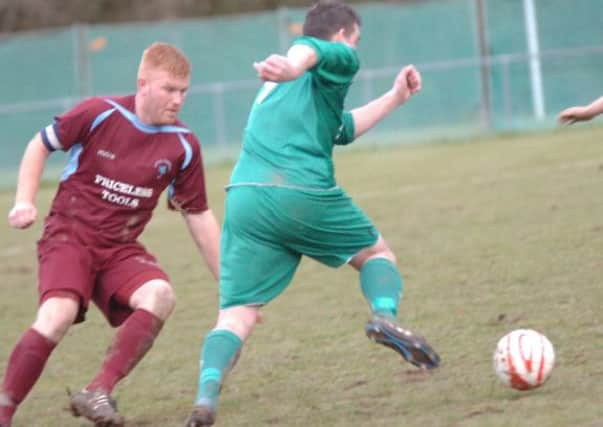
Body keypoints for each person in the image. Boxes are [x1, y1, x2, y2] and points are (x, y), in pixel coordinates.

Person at [185, 2, 440, 426]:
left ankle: (205, 398)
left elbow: (341, 129)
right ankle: (385, 317)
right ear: (342, 35)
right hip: (299, 190)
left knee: (237, 313)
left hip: (245, 196)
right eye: (354, 40)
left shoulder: (279, 89)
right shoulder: (327, 55)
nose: (355, 49)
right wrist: (293, 64)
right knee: (377, 256)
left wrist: (395, 97)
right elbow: (313, 51)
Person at [0, 42, 220, 427]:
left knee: (161, 294)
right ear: (143, 84)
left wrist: (231, 286)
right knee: (57, 315)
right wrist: (24, 200)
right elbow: (40, 145)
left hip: (119, 248)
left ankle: (97, 390)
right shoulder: (100, 113)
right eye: (169, 89)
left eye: (184, 91)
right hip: (69, 236)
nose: (178, 99)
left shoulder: (184, 145)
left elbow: (198, 215)